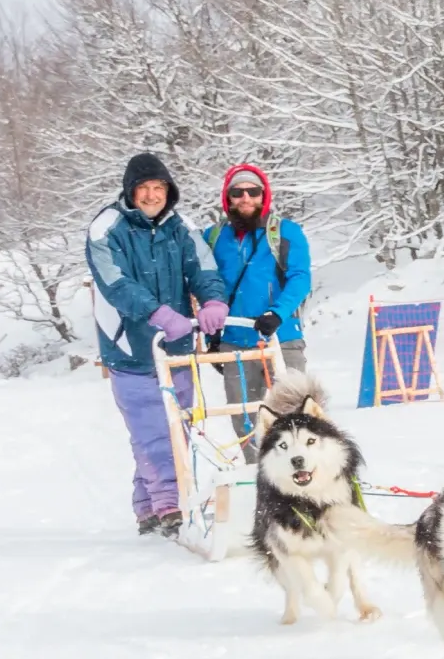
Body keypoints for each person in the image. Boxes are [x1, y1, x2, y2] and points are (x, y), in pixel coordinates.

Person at [88, 151, 228, 537]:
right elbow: (115, 284)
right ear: (130, 192)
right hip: (130, 347)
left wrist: (213, 299)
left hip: (177, 345)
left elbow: (202, 266)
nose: (152, 196)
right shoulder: (106, 228)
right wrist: (157, 313)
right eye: (144, 189)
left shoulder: (180, 225)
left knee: (177, 426)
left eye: (159, 188)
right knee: (151, 428)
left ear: (169, 190)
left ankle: (147, 505)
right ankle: (170, 502)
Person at [202, 163, 313, 453]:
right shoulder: (213, 238)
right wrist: (211, 337)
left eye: (253, 191)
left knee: (297, 421)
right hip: (235, 344)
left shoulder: (285, 232)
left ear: (264, 196)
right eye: (238, 192)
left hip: (282, 338)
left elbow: (300, 278)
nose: (246, 198)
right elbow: (203, 283)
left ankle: (304, 491)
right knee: (246, 425)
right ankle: (260, 486)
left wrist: (277, 312)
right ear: (228, 199)